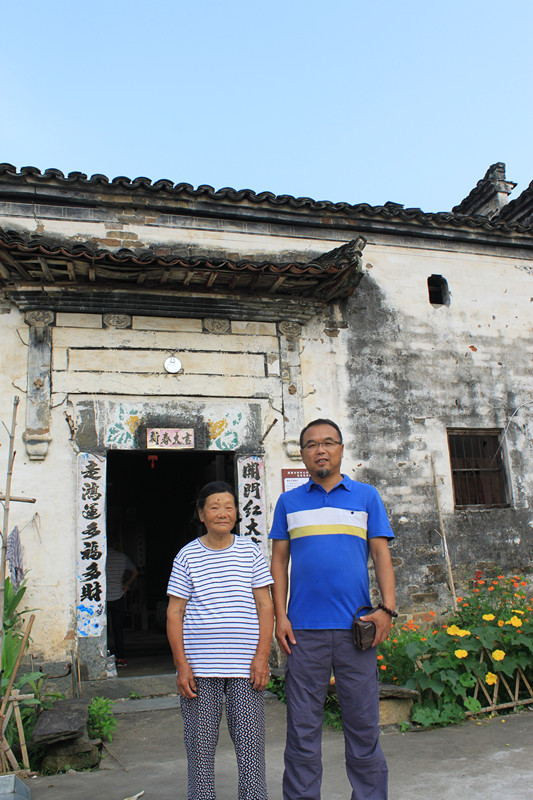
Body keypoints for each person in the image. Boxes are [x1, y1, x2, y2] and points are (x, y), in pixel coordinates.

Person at [270, 419, 396, 800]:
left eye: (328, 443)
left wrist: (387, 609)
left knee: (363, 726)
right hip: (303, 633)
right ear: (302, 454)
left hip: (356, 629)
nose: (320, 450)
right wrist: (280, 617)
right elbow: (279, 562)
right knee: (302, 729)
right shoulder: (289, 503)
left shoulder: (366, 497)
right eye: (311, 445)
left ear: (341, 449)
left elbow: (381, 555)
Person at [167, 481, 274, 800]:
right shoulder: (187, 555)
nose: (222, 513)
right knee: (199, 749)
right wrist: (182, 666)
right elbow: (175, 612)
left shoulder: (250, 551)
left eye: (229, 507)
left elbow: (265, 606)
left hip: (246, 668)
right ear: (201, 514)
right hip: (200, 669)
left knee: (251, 748)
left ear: (237, 513)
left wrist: (262, 658)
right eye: (214, 507)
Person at [106, 544, 138, 668]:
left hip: (102, 598)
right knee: (118, 629)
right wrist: (127, 585)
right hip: (118, 595)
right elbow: (135, 572)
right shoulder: (122, 557)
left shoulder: (101, 557)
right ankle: (121, 657)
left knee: (103, 629)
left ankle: (104, 656)